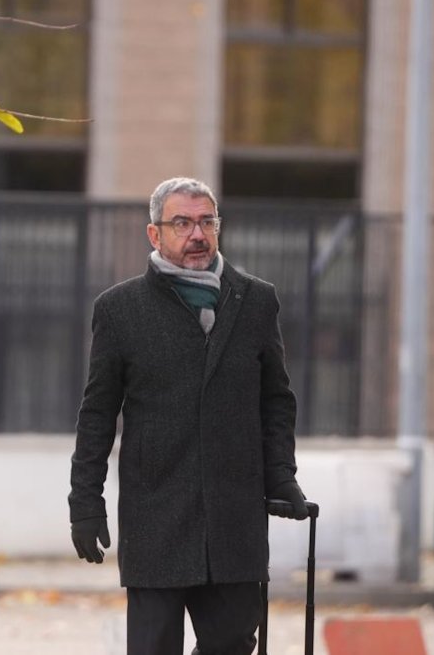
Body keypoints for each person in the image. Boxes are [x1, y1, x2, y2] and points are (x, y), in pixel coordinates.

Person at [68, 177, 310, 655]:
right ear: (155, 235)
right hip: (155, 518)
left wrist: (281, 477)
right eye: (182, 223)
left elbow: (276, 401)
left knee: (232, 645)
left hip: (234, 522)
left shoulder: (256, 300)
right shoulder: (120, 310)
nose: (197, 234)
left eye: (206, 222)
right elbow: (97, 413)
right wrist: (85, 501)